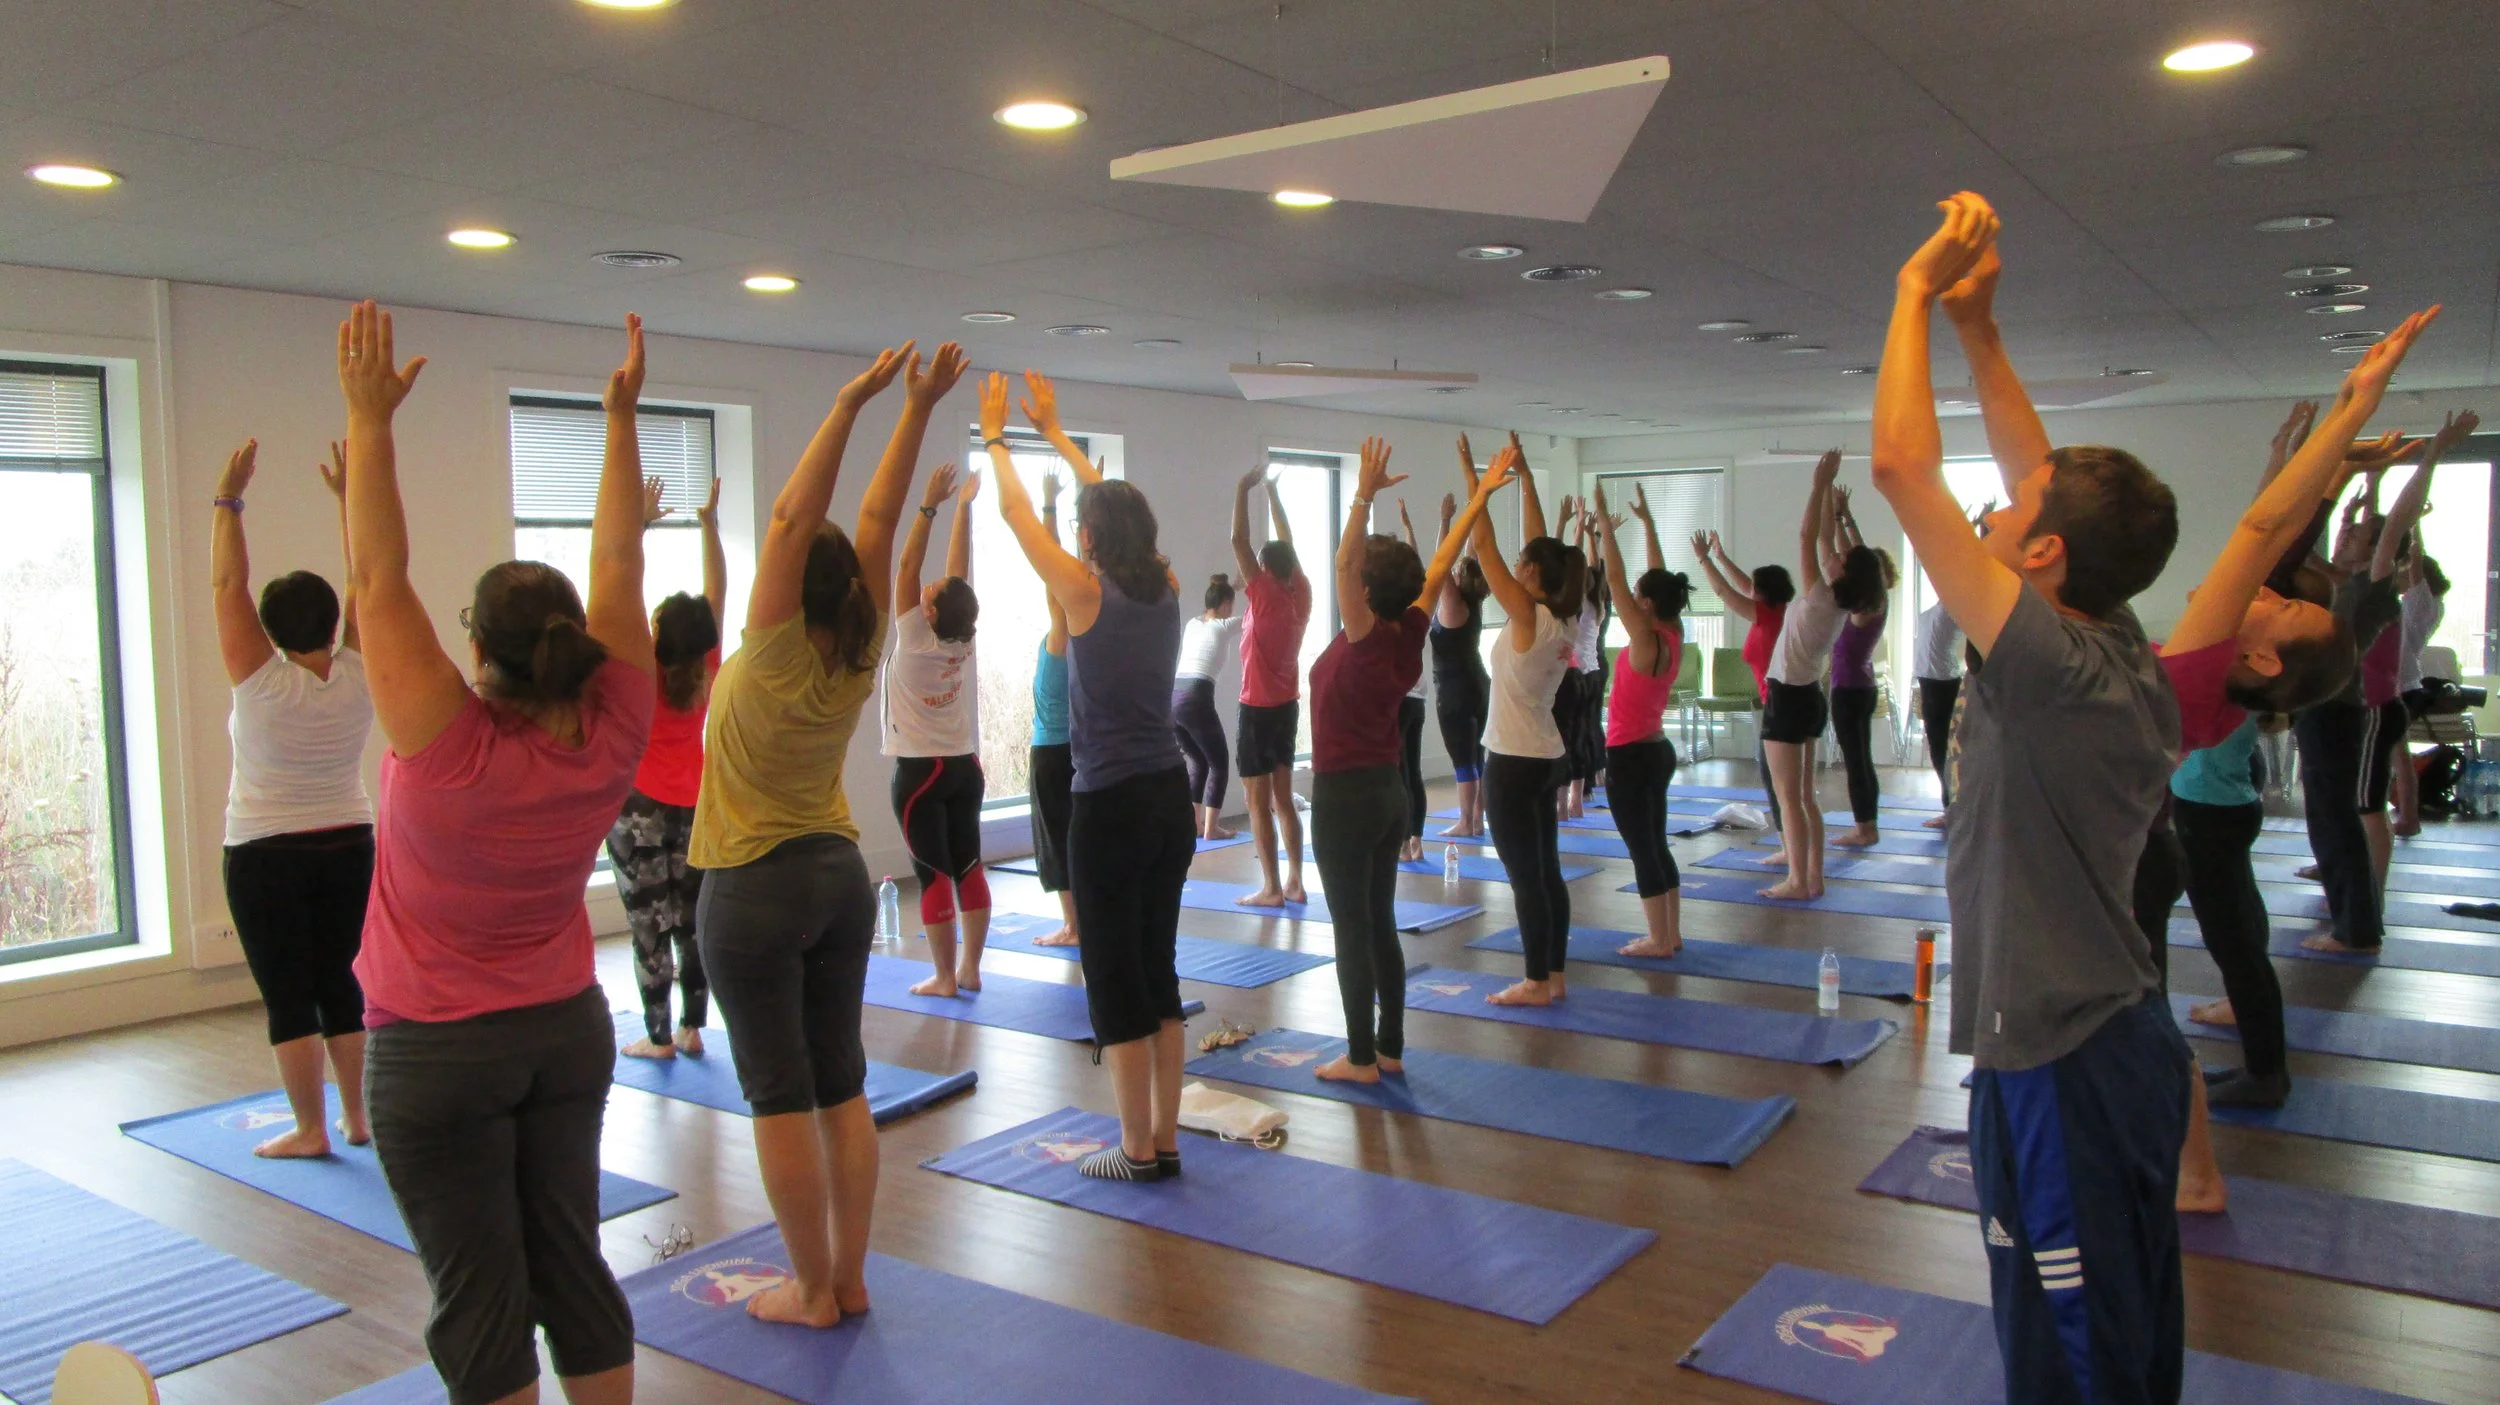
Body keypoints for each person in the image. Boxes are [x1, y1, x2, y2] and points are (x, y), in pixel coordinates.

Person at [1874, 193, 2191, 1405]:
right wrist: (1980, 334)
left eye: (2012, 513)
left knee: (2077, 1353)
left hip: (2068, 1058)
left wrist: (1911, 296)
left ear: (2046, 555)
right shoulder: (2101, 632)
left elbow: (1903, 466)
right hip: (2079, 1041)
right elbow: (2042, 482)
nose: (1997, 507)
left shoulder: (2053, 667)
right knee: (2102, 1328)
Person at [343, 305, 653, 1405]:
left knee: (478, 1293)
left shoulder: (447, 747)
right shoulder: (616, 719)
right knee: (570, 1257)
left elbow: (378, 583)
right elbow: (619, 551)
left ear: (473, 645)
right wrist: (619, 421)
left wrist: (369, 424)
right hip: (564, 1029)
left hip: (436, 1053)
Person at [693, 337, 960, 1328]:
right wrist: (916, 407)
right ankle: (848, 1277)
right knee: (840, 1082)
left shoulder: (765, 654)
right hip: (836, 877)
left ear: (784, 582)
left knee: (777, 1096)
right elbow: (878, 516)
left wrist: (852, 405)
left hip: (751, 887)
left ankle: (810, 1289)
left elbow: (797, 516)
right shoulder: (860, 647)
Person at [983, 369, 1196, 1181]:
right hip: (1168, 798)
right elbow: (1114, 504)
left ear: (1092, 538)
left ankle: (1137, 1148)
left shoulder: (1083, 593)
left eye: (1081, 528)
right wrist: (1061, 436)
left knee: (1114, 981)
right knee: (1159, 969)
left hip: (1107, 807)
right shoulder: (1169, 587)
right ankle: (1164, 1139)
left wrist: (1003, 437)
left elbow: (1012, 515)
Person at [1308, 439, 1512, 1083]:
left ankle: (1361, 1056)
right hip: (1387, 794)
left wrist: (1364, 493)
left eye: (1357, 573)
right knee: (1380, 925)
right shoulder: (1410, 627)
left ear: (1365, 590)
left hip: (1344, 800)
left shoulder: (1367, 636)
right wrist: (1477, 495)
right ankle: (1389, 1047)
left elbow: (1345, 563)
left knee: (1351, 931)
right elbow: (1442, 560)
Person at [211, 436, 375, 1159]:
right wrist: (349, 502)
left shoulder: (261, 680)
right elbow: (367, 575)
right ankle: (357, 1118)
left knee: (289, 994)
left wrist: (228, 503)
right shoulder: (359, 670)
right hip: (348, 841)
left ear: (272, 632)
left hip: (265, 850)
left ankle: (311, 1128)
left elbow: (226, 589)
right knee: (341, 981)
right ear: (335, 624)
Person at [608, 473, 725, 1062]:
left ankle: (657, 1038)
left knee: (648, 924)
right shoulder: (707, 667)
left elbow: (620, 589)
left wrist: (637, 526)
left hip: (639, 811)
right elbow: (717, 590)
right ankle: (693, 1027)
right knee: (690, 922)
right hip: (695, 803)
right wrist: (709, 525)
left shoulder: (641, 670)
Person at [1467, 432, 1583, 1007]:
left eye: (1523, 565)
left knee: (1525, 877)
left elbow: (1485, 545)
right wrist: (1529, 476)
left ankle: (1537, 980)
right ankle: (1553, 976)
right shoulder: (1564, 615)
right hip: (1543, 757)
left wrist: (1476, 481)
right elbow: (1540, 543)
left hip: (1513, 762)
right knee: (1547, 871)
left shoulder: (1527, 616)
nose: (1516, 565)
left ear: (1534, 575)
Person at [886, 459, 991, 998]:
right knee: (969, 865)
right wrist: (965, 508)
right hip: (963, 767)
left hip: (921, 772)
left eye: (929, 593)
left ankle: (947, 978)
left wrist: (930, 504)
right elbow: (957, 577)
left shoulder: (915, 638)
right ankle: (970, 968)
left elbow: (907, 563)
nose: (924, 588)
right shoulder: (960, 636)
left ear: (927, 611)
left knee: (932, 874)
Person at [1756, 450, 1857, 900]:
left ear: (1841, 572)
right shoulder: (1840, 600)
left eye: (1837, 557)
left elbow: (1806, 536)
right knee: (1806, 796)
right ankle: (1814, 877)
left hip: (1788, 699)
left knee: (1788, 797)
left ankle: (1798, 880)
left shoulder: (1820, 595)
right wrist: (1837, 512)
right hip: (1809, 696)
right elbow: (1826, 541)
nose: (1831, 554)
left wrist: (1818, 484)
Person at [1594, 483, 1688, 958]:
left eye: (1638, 596)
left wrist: (1608, 528)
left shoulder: (1647, 639)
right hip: (1656, 751)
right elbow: (1655, 577)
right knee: (1656, 843)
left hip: (1631, 756)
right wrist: (1649, 525)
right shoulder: (1673, 631)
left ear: (1646, 604)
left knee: (1642, 847)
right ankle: (1669, 934)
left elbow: (1615, 578)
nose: (1631, 596)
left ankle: (1658, 938)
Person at [1231, 466, 1313, 907]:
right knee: (1283, 799)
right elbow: (1290, 548)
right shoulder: (1301, 592)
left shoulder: (1263, 595)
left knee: (1256, 802)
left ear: (1263, 569)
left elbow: (1237, 542)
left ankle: (1272, 888)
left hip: (1258, 708)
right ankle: (1296, 881)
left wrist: (1243, 490)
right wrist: (1275, 496)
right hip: (1286, 706)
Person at [1694, 531, 1793, 828]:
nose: (1751, 591)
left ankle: (1789, 844)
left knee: (1775, 776)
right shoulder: (1777, 611)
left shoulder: (1765, 616)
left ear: (1764, 593)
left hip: (1781, 702)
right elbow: (1743, 586)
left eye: (1756, 589)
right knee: (1777, 776)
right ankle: (1790, 842)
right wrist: (1720, 556)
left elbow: (1724, 592)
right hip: (1780, 700)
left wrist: (1703, 559)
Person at [1027, 469, 1081, 947]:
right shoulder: (1086, 635)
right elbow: (1076, 573)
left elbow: (1052, 569)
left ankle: (1073, 925)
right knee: (1072, 835)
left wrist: (1047, 506)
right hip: (1076, 750)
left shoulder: (1061, 633)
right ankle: (1080, 920)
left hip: (1051, 752)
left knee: (1055, 840)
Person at [1827, 492, 1896, 848]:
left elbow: (1857, 559)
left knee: (1855, 763)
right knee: (1862, 760)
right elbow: (1859, 556)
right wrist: (1843, 516)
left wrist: (1842, 519)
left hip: (1850, 690)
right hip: (1862, 687)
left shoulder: (1864, 603)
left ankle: (1864, 829)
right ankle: (1870, 825)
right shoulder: (1878, 598)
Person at [1430, 496, 1494, 839]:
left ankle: (1467, 822)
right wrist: (1474, 510)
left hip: (1455, 691)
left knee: (1462, 759)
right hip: (1479, 684)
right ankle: (1478, 817)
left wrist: (1445, 520)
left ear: (1460, 579)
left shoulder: (1453, 603)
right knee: (1476, 755)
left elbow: (1442, 561)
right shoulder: (1476, 602)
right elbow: (1469, 554)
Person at [1172, 576, 1241, 841]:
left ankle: (1196, 825)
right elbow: (1258, 613)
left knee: (1199, 761)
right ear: (1225, 605)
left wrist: (1231, 588)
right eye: (1231, 605)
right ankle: (1212, 829)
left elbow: (1213, 604)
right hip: (1195, 697)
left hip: (1174, 699)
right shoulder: (1224, 626)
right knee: (1220, 763)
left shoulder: (1193, 623)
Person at [2393, 547, 2452, 835]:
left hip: (2401, 685)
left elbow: (2415, 560)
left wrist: (2413, 523)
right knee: (2399, 755)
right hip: (2407, 682)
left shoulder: (2420, 602)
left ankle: (2404, 816)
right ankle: (2408, 816)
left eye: (2403, 569)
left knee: (2391, 756)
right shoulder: (2429, 604)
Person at [1393, 500, 1433, 861]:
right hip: (1417, 698)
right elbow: (1419, 566)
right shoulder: (1419, 608)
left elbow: (1417, 565)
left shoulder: (1397, 609)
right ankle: (1415, 842)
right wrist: (1407, 526)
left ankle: (1405, 843)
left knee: (1402, 771)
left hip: (1403, 698)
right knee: (1413, 770)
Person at [1910, 599, 1963, 826]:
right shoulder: (1941, 605)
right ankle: (1951, 809)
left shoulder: (1955, 603)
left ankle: (1953, 810)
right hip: (1931, 681)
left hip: (1942, 682)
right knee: (1938, 749)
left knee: (1944, 750)